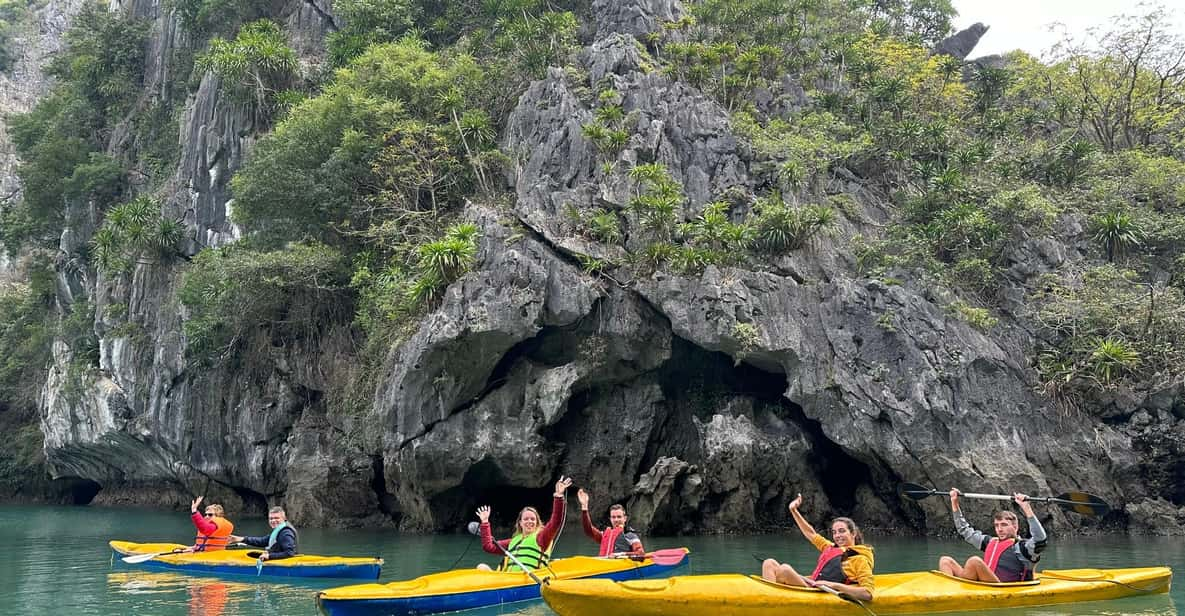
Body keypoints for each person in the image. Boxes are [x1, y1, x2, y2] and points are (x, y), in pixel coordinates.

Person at [761, 493, 875, 601]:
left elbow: (868, 593)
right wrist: (793, 510)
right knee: (768, 563)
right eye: (834, 532)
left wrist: (833, 585)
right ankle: (768, 599)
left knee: (785, 569)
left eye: (842, 531)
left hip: (819, 592)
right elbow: (811, 533)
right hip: (811, 585)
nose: (837, 536)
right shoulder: (830, 547)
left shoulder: (860, 559)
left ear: (853, 533)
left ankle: (770, 601)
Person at [938, 489, 1046, 582]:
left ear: (1015, 527)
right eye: (996, 525)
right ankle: (949, 594)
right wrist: (954, 503)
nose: (999, 529)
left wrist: (1026, 507)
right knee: (945, 561)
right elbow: (964, 530)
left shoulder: (1024, 548)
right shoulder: (990, 542)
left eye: (1004, 525)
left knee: (974, 561)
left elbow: (1040, 539)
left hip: (1001, 587)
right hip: (984, 582)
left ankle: (960, 594)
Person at [476, 477, 572, 572]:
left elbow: (555, 522)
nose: (529, 521)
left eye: (532, 519)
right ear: (520, 523)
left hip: (527, 581)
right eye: (526, 519)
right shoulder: (513, 541)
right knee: (481, 567)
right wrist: (485, 522)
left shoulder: (542, 538)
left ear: (537, 523)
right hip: (507, 579)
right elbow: (489, 547)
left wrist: (558, 496)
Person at [577, 488, 644, 557]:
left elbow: (640, 553)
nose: (616, 520)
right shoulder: (605, 535)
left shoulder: (630, 535)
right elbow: (589, 531)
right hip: (604, 565)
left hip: (621, 565)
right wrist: (584, 508)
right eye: (613, 517)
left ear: (625, 518)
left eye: (619, 517)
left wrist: (621, 554)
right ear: (610, 519)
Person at [229, 506, 298, 561]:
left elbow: (290, 553)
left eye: (276, 518)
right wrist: (241, 539)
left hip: (285, 563)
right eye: (271, 518)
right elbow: (262, 541)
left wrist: (269, 556)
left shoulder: (285, 533)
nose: (273, 521)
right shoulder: (279, 531)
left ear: (284, 518)